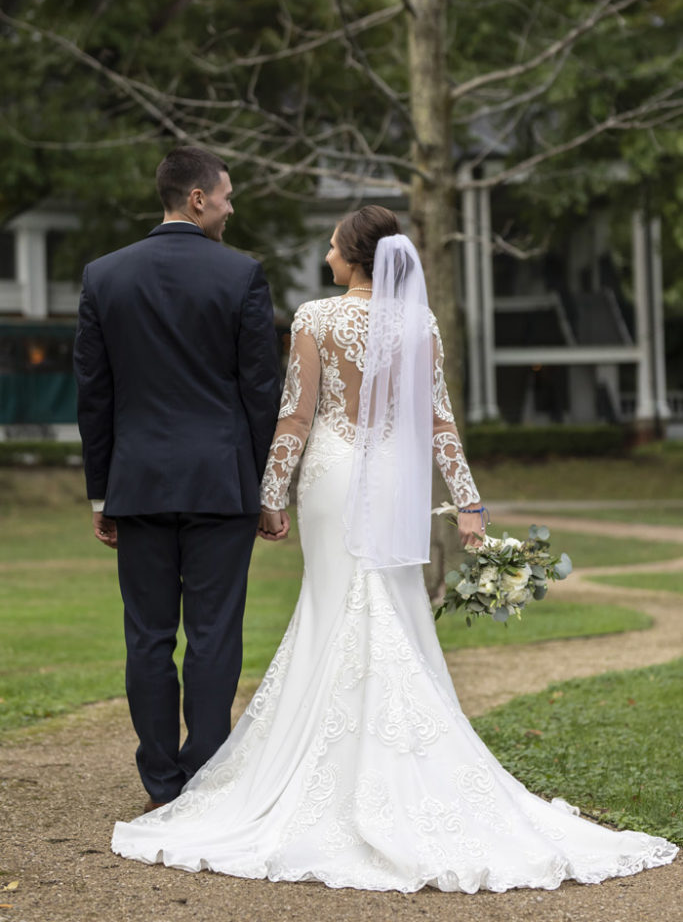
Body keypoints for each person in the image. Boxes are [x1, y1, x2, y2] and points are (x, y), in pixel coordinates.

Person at [111, 206, 677, 891]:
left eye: (330, 245)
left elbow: (296, 413)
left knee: (334, 607)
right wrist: (467, 502)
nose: (324, 254)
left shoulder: (316, 319)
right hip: (391, 481)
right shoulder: (420, 323)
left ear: (353, 255)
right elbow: (439, 423)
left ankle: (329, 765)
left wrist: (270, 493)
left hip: (330, 476)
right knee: (380, 602)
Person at [73, 146, 282, 813]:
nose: (230, 206)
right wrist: (263, 487)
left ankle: (162, 784)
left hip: (138, 483)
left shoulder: (104, 276)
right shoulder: (241, 274)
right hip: (221, 483)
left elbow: (93, 395)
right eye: (225, 195)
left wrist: (101, 490)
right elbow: (259, 391)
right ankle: (208, 781)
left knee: (148, 636)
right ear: (196, 198)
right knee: (215, 632)